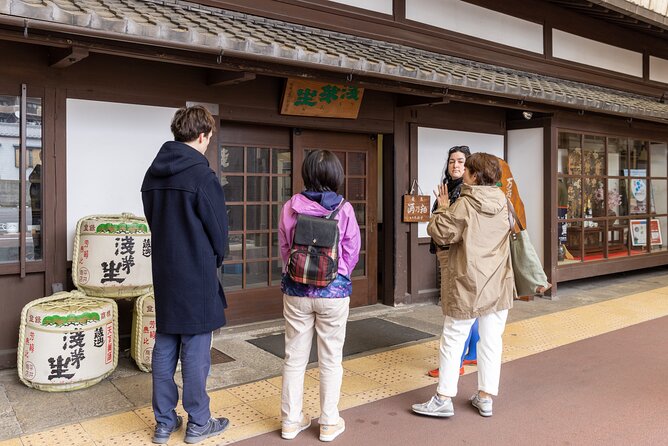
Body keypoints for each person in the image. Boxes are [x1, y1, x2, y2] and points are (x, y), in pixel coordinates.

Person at [141, 105, 229, 444]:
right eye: (209, 137)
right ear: (203, 135)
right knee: (195, 350)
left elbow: (154, 219)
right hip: (196, 273)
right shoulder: (202, 175)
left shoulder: (153, 174)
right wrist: (216, 258)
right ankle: (199, 422)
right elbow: (218, 232)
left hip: (165, 269)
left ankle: (164, 423)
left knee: (165, 344)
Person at [412, 152, 513, 419]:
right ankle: (485, 397)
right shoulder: (504, 201)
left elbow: (440, 231)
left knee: (453, 339)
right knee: (491, 342)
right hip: (499, 282)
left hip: (468, 282)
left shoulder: (466, 204)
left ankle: (443, 398)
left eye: (466, 168)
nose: (462, 171)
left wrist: (443, 208)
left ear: (474, 175)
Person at [278, 150, 361, 442]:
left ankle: (290, 421)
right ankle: (328, 422)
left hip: (296, 291)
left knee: (294, 357)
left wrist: (299, 274)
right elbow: (351, 251)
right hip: (334, 293)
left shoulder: (291, 206)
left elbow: (285, 248)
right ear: (335, 175)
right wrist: (337, 275)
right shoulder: (344, 209)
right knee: (330, 358)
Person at [427, 146, 479, 379]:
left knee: (457, 308)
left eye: (460, 161)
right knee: (470, 308)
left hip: (455, 254)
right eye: (451, 161)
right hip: (450, 252)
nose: (455, 166)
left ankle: (455, 361)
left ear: (469, 167)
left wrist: (444, 208)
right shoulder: (450, 187)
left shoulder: (467, 192)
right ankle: (472, 352)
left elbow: (450, 228)